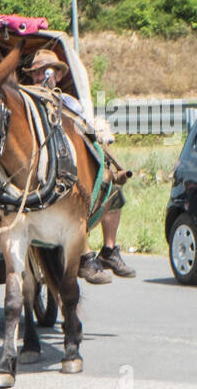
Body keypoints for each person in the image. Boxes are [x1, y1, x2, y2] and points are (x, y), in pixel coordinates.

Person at [23, 49, 135, 283]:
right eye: (36, 73)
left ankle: (109, 250)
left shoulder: (69, 102)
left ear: (57, 76)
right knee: (72, 191)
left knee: (110, 186)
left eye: (46, 72)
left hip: (70, 156)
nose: (41, 77)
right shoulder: (29, 102)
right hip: (42, 163)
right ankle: (84, 255)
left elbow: (83, 130)